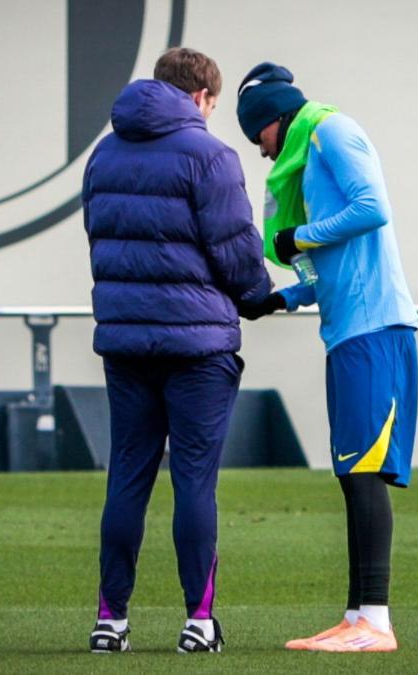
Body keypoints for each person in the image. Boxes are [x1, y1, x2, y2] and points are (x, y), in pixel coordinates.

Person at [82, 47, 277, 655]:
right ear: (200, 98)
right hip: (198, 349)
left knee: (127, 477)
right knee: (194, 482)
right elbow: (236, 249)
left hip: (126, 343)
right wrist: (259, 298)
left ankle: (110, 621)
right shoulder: (210, 156)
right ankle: (199, 621)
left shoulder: (102, 154)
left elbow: (100, 238)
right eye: (214, 105)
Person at [236, 62, 418, 653]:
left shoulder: (331, 131)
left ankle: (377, 623)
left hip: (375, 331)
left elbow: (372, 209)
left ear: (274, 119)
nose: (261, 154)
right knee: (351, 474)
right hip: (349, 334)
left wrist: (300, 239)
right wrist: (283, 297)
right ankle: (356, 615)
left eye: (257, 138)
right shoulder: (306, 154)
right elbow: (331, 266)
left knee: (364, 474)